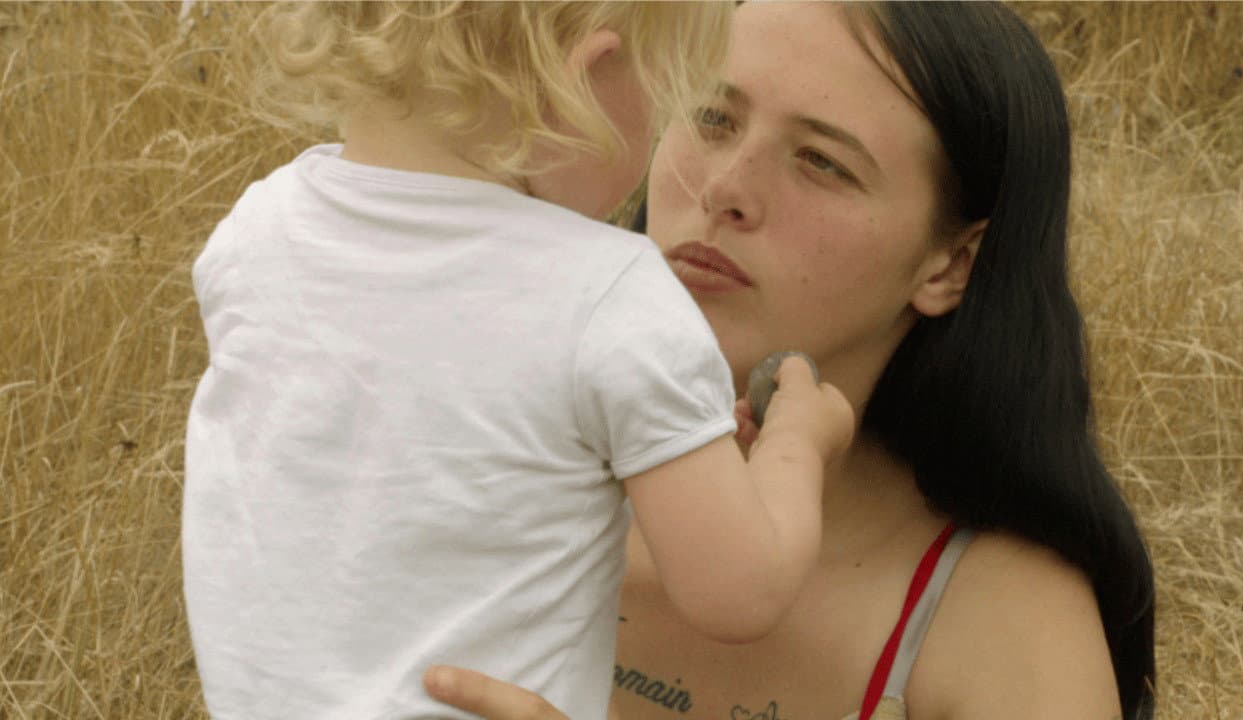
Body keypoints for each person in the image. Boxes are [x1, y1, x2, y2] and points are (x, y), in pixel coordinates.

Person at [423, 2, 1158, 719]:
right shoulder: (461, 436)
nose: (724, 189)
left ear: (950, 265)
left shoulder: (1002, 625)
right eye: (713, 118)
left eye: (822, 162)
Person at [182, 2, 855, 719]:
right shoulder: (610, 296)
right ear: (585, 81)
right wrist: (798, 443)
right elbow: (740, 590)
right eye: (662, 102)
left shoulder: (257, 231)